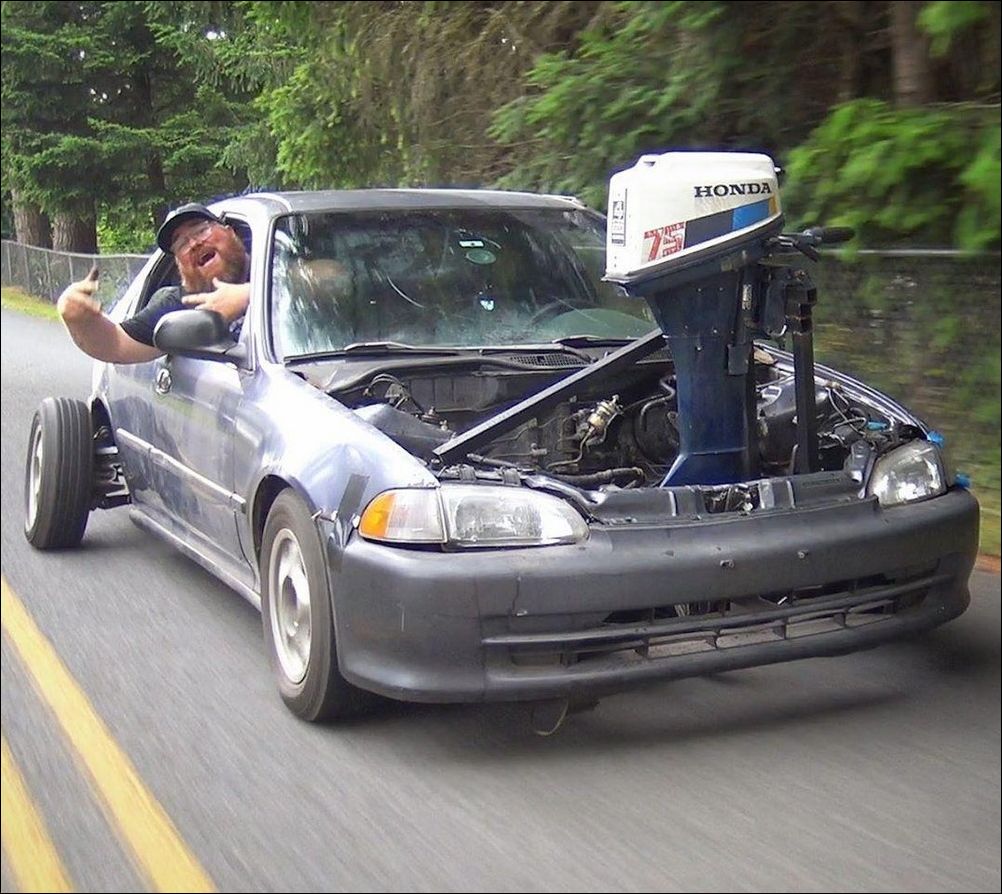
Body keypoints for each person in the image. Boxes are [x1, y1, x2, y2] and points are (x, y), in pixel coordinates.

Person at [57, 203, 251, 364]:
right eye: (181, 245)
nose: (194, 244)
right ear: (180, 267)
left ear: (230, 232)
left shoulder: (269, 264)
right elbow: (117, 344)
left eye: (201, 230)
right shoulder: (180, 305)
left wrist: (249, 295)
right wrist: (78, 320)